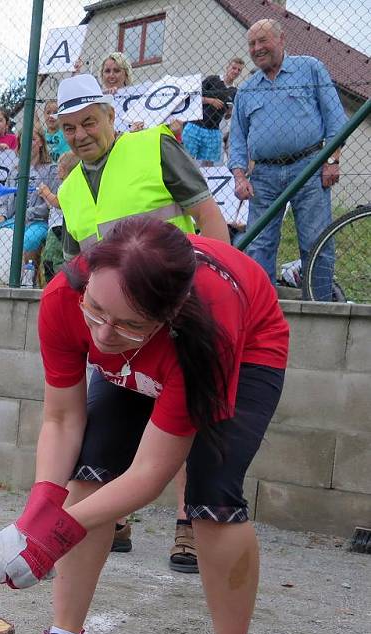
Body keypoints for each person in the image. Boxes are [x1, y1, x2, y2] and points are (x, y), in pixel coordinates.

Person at [0, 216, 290, 634]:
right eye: (95, 311)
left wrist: (52, 541)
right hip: (157, 344)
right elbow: (61, 418)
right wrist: (37, 518)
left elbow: (150, 475)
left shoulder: (206, 330)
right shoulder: (63, 297)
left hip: (245, 347)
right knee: (90, 466)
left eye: (127, 324)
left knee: (214, 495)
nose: (101, 335)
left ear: (168, 315)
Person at [54, 73, 229, 562]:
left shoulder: (154, 147)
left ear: (110, 116)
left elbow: (210, 220)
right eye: (68, 128)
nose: (80, 135)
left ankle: (188, 525)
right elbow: (79, 270)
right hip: (117, 331)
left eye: (88, 122)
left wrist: (211, 301)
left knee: (185, 423)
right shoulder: (69, 189)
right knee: (101, 431)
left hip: (179, 315)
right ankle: (113, 519)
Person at [228, 18, 347, 299]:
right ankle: (263, 308)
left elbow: (335, 120)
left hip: (309, 167)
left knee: (315, 241)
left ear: (281, 40)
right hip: (264, 177)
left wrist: (331, 161)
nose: (257, 48)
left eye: (263, 41)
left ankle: (318, 306)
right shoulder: (246, 90)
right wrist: (240, 175)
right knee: (259, 244)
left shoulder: (310, 68)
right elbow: (237, 139)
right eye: (252, 44)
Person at [0, 127, 56, 269]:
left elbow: (52, 204)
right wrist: (2, 215)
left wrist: (28, 213)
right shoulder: (14, 171)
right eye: (24, 140)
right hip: (13, 221)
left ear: (41, 143)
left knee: (29, 239)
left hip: (38, 222)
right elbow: (5, 201)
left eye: (32, 139)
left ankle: (26, 280)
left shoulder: (51, 170)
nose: (28, 144)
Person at [182, 58, 245, 166]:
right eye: (234, 68)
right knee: (186, 161)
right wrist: (210, 100)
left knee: (209, 166)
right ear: (227, 67)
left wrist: (229, 113)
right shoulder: (212, 79)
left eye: (239, 70)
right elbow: (192, 98)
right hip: (195, 125)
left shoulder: (235, 91)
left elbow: (226, 116)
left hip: (214, 130)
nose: (236, 71)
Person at [37, 150, 80, 283]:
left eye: (59, 167)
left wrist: (47, 192)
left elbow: (58, 203)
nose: (57, 170)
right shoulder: (72, 185)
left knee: (51, 257)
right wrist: (45, 196)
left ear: (65, 169)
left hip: (58, 228)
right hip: (58, 226)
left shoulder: (67, 185)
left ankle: (54, 281)